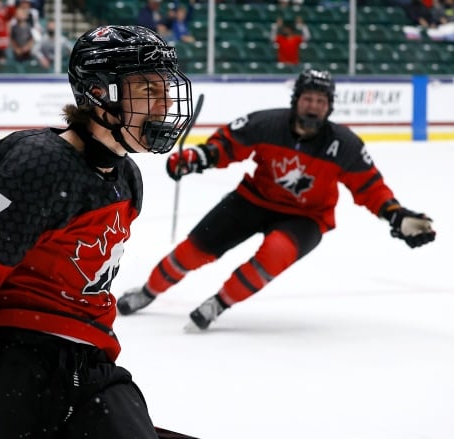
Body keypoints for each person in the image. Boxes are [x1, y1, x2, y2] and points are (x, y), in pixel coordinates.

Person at [0, 25, 195, 439]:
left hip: (89, 366)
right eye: (146, 88)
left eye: (165, 89)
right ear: (100, 93)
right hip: (11, 355)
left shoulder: (128, 179)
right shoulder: (38, 164)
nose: (164, 103)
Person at [117, 69, 436, 331]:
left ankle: (219, 302)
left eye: (321, 101)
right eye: (308, 98)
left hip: (306, 217)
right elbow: (227, 145)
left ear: (330, 107)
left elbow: (370, 187)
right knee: (194, 249)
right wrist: (198, 156)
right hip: (252, 200)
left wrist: (396, 214)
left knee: (276, 252)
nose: (313, 106)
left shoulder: (345, 145)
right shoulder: (266, 123)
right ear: (297, 100)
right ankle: (148, 291)